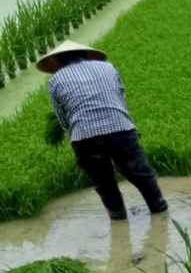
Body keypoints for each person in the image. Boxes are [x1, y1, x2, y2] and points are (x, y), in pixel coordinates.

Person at [39, 41, 168, 221]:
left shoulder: (54, 80)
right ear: (85, 54)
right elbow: (120, 96)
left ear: (59, 61)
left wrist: (73, 133)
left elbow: (62, 116)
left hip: (84, 136)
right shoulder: (107, 67)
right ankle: (159, 209)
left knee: (103, 182)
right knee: (140, 172)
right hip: (120, 129)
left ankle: (118, 217)